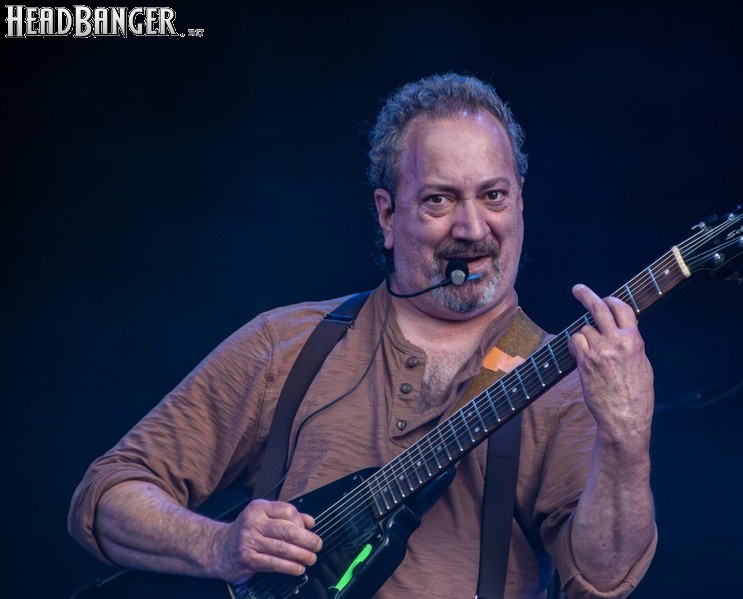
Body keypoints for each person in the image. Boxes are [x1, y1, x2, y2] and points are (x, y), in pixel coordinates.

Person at [69, 72, 657, 598]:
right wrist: (218, 546)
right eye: (439, 199)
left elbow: (604, 580)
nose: (472, 226)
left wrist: (626, 434)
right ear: (387, 214)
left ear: (521, 204)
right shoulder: (285, 344)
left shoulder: (570, 382)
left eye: (493, 195)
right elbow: (107, 496)